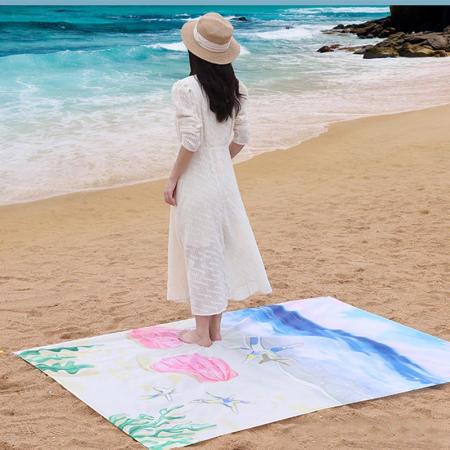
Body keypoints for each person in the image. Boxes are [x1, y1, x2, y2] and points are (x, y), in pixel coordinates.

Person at [165, 12, 272, 347]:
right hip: (223, 178)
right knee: (219, 248)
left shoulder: (185, 88)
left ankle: (201, 333)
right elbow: (242, 137)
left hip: (198, 179)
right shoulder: (236, 86)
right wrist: (219, 162)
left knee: (200, 250)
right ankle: (214, 329)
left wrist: (173, 179)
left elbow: (191, 141)